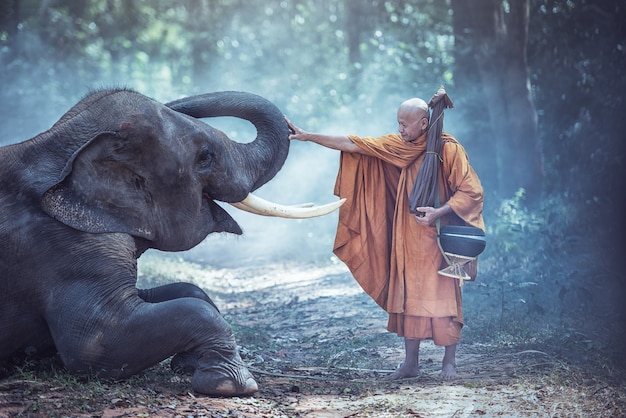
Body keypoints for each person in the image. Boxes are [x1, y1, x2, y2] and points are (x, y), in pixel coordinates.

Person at [286, 92, 484, 380]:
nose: (400, 129)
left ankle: (449, 364)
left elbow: (471, 191)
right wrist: (308, 136)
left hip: (439, 237)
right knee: (409, 296)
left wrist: (439, 212)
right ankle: (410, 364)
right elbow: (354, 144)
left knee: (445, 296)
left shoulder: (448, 149)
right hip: (407, 234)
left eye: (405, 124)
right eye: (398, 123)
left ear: (424, 123)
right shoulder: (399, 145)